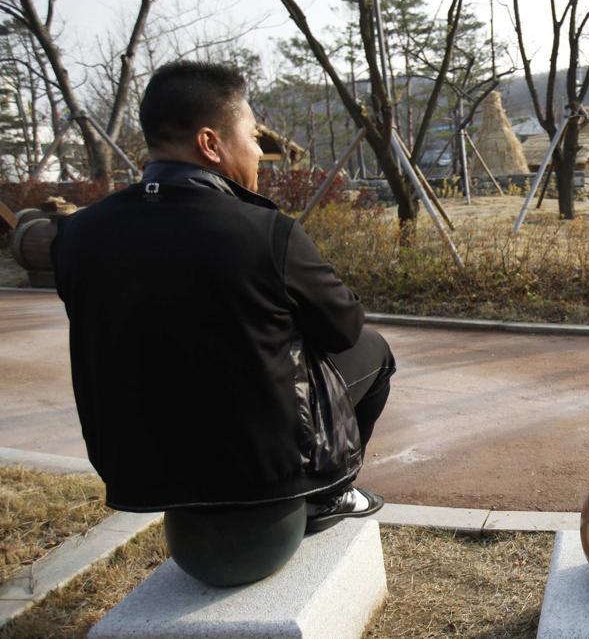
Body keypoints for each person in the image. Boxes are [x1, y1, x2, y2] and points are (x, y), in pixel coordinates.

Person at [52, 61, 394, 584]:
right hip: (267, 473)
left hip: (144, 471)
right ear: (211, 143)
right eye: (252, 136)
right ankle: (328, 493)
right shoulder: (265, 232)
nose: (259, 151)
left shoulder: (77, 237)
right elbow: (343, 329)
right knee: (374, 350)